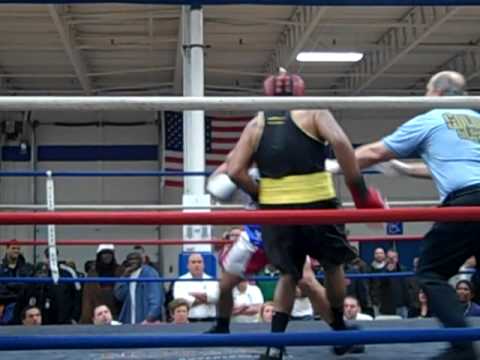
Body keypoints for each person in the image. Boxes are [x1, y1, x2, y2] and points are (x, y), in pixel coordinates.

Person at [224, 69, 384, 359]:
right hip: (319, 204)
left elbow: (234, 170)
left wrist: (261, 194)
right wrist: (359, 190)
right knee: (333, 265)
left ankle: (274, 345)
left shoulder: (257, 123)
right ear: (300, 91)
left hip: (276, 213)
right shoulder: (314, 112)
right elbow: (342, 144)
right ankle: (339, 328)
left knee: (289, 274)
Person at [347, 70, 478, 360]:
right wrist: (405, 170)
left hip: (467, 203)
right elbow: (459, 168)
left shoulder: (431, 118)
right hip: (473, 196)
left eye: (428, 90)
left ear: (438, 93)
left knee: (431, 272)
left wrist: (332, 164)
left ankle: (463, 348)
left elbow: (371, 153)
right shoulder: (477, 119)